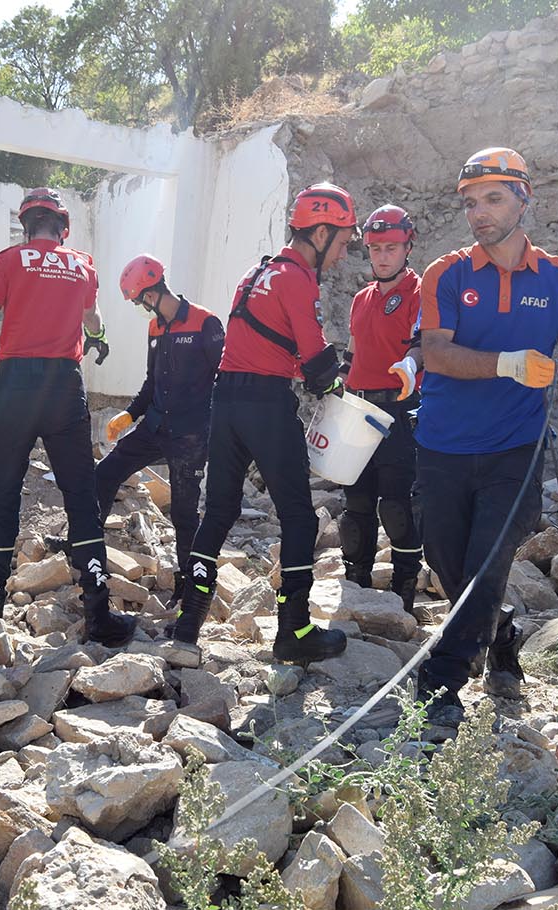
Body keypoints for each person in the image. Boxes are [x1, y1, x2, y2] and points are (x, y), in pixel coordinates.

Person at [414, 148, 558, 726]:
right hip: (443, 444)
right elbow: (435, 352)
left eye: (494, 198)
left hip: (516, 450)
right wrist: (505, 363)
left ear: (525, 198)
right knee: (447, 564)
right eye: (471, 202)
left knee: (485, 562)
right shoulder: (445, 272)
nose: (479, 213)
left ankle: (442, 684)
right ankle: (500, 631)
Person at [167, 182, 355, 664]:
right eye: (343, 240)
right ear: (318, 232)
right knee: (299, 516)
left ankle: (188, 626)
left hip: (226, 399)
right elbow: (315, 360)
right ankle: (294, 631)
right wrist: (337, 385)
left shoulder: (257, 273)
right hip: (265, 403)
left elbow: (260, 342)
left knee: (220, 511)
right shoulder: (298, 278)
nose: (344, 251)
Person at [0, 187, 137, 646]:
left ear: (26, 225)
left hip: (15, 386)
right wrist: (100, 336)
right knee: (80, 495)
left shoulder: (8, 260)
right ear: (63, 228)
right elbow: (91, 318)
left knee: (5, 493)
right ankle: (99, 614)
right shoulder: (83, 264)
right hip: (64, 388)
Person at [48, 255, 223, 609]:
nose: (140, 307)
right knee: (104, 474)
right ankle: (83, 546)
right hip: (155, 427)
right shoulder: (156, 328)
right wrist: (129, 415)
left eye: (140, 299)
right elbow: (151, 383)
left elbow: (225, 379)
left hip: (191, 435)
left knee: (185, 513)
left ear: (154, 290)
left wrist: (220, 430)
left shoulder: (205, 322)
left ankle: (188, 585)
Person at [338, 205, 426, 618]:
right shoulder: (361, 298)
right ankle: (356, 583)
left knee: (396, 504)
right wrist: (334, 383)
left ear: (408, 246)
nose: (383, 256)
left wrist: (411, 364)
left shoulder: (419, 292)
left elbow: (420, 346)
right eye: (375, 248)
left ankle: (404, 587)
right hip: (358, 409)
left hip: (400, 410)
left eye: (392, 247)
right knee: (355, 504)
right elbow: (354, 352)